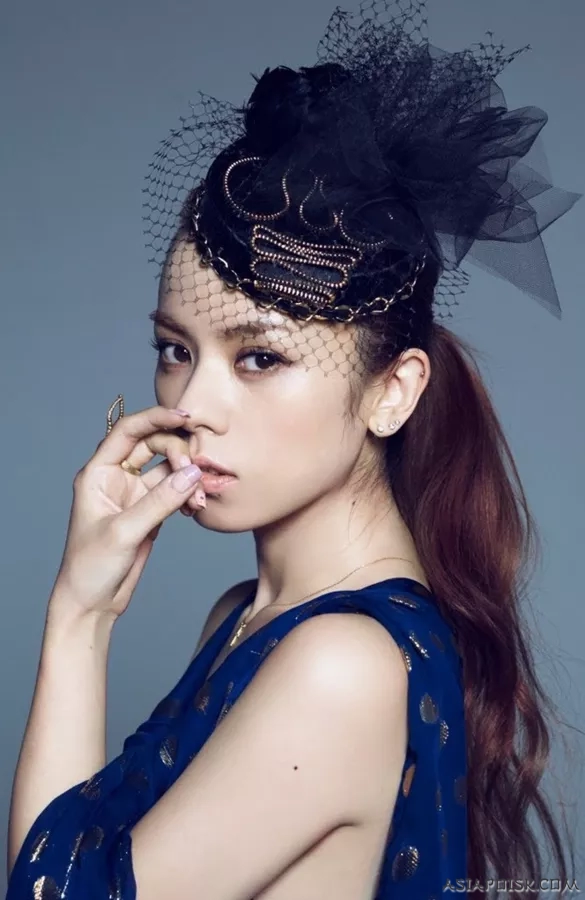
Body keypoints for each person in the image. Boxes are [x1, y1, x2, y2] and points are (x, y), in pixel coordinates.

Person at [5, 0, 580, 897]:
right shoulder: (248, 617)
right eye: (174, 350)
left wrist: (78, 622)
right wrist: (86, 608)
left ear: (392, 392)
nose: (192, 405)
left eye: (260, 358)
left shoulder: (339, 665)